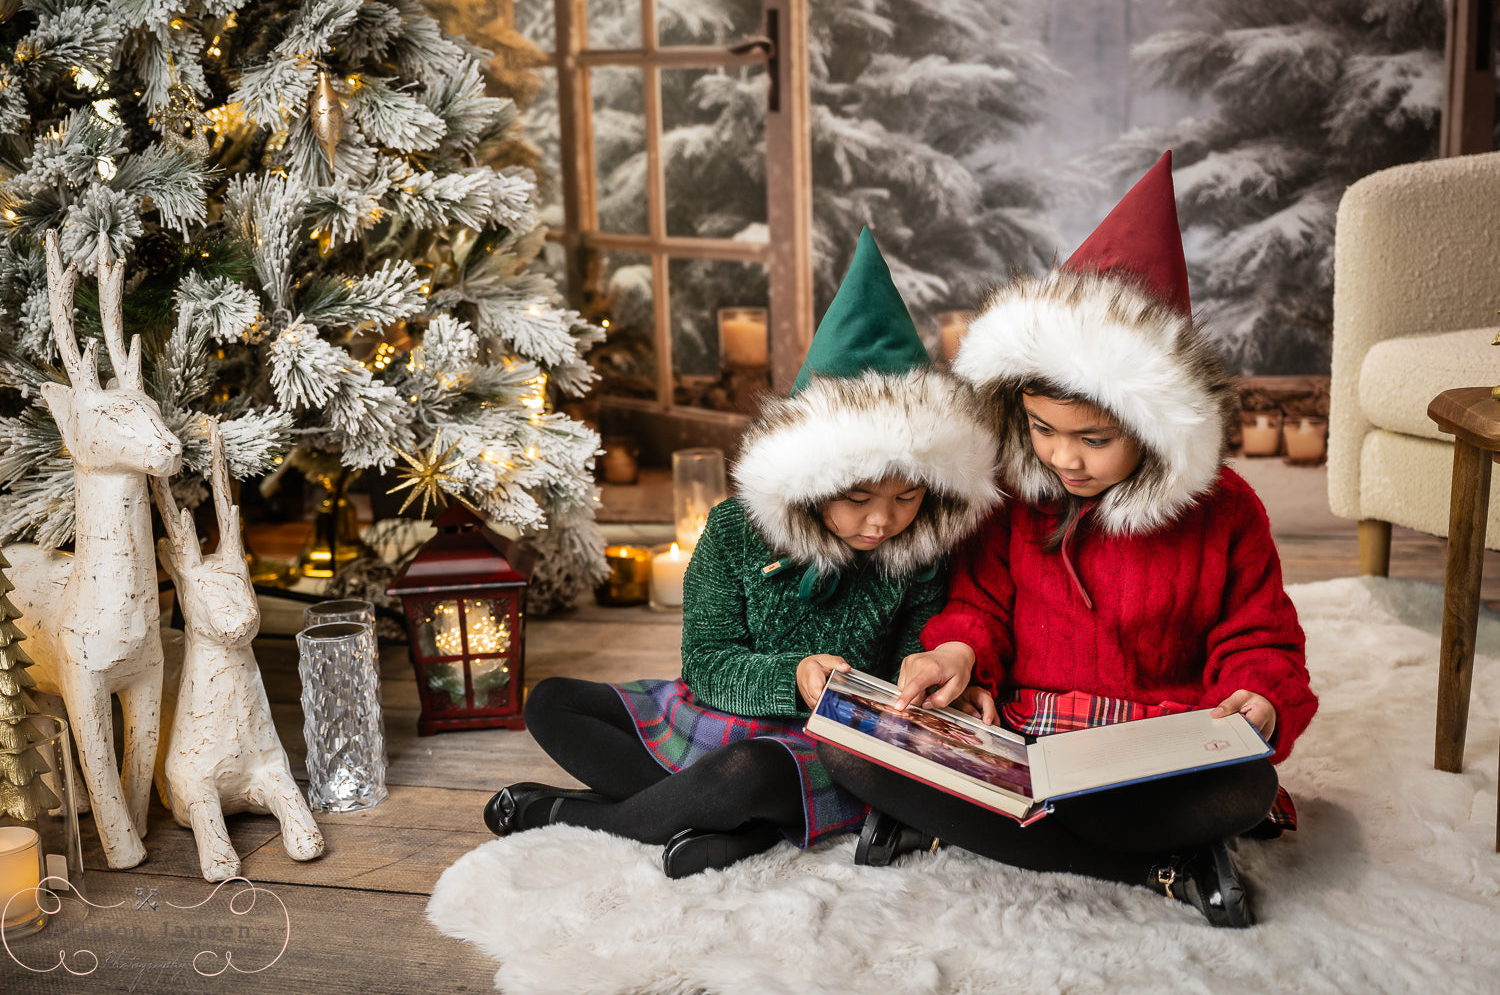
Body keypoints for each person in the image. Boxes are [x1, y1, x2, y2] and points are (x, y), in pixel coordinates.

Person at [817, 153, 1319, 928]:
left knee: (1240, 790)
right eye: (1043, 429)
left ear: (1157, 429)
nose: (1063, 457)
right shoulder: (1015, 498)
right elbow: (977, 605)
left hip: (1151, 750)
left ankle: (1014, 835)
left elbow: (1262, 641)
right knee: (850, 752)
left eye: (1094, 438)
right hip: (1023, 737)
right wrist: (956, 655)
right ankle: (1154, 865)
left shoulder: (1227, 514)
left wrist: (1258, 699)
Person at [482, 228, 1003, 877]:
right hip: (717, 715)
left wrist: (911, 684)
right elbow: (707, 661)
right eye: (860, 495)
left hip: (811, 749)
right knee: (550, 701)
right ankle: (721, 820)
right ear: (809, 480)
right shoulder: (734, 531)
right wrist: (792, 675)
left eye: (908, 496)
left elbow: (908, 664)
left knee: (753, 772)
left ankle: (578, 816)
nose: (882, 519)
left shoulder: (919, 552)